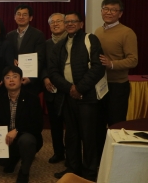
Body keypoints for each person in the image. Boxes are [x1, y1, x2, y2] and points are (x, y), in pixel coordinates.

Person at [49, 12, 106, 181]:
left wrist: (80, 88)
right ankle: (72, 170)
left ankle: (89, 173)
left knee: (89, 136)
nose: (70, 24)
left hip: (87, 97)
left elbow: (98, 67)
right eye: (67, 21)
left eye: (74, 21)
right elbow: (53, 72)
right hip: (67, 97)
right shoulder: (59, 46)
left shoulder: (91, 39)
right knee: (71, 135)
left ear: (81, 24)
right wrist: (69, 89)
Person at [0, 66, 43, 183]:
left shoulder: (32, 99)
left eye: (15, 77)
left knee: (26, 141)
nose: (11, 80)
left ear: (21, 80)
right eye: (7, 77)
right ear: (3, 81)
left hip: (25, 137)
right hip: (5, 139)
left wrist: (17, 130)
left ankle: (24, 172)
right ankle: (13, 159)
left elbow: (37, 125)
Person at [94, 0, 138, 126]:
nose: (109, 12)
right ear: (101, 11)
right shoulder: (98, 31)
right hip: (99, 83)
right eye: (106, 9)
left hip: (117, 85)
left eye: (113, 10)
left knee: (116, 123)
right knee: (99, 122)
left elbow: (133, 60)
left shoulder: (127, 32)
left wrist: (111, 64)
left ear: (120, 14)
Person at [40, 13, 67, 164]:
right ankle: (58, 152)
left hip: (68, 90)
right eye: (52, 22)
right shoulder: (46, 44)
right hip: (51, 90)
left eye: (59, 21)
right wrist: (45, 78)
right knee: (55, 125)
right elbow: (42, 65)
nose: (55, 24)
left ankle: (71, 154)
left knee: (71, 126)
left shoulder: (73, 41)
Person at [5, 4, 46, 96]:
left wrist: (31, 78)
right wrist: (12, 60)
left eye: (24, 14)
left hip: (30, 83)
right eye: (18, 14)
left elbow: (40, 58)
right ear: (14, 17)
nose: (21, 17)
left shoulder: (38, 35)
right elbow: (7, 55)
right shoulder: (9, 35)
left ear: (30, 18)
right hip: (13, 81)